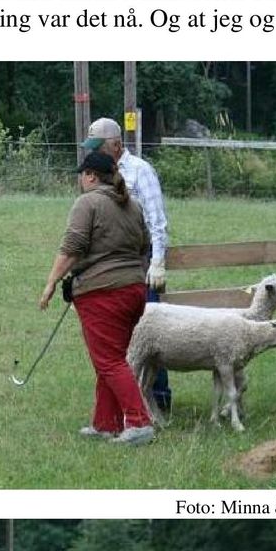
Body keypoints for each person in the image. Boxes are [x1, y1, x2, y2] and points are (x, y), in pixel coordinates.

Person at [39, 150, 156, 446]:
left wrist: (51, 282)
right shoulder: (132, 205)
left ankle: (139, 423)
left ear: (90, 175)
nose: (80, 179)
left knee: (109, 361)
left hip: (103, 294)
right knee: (110, 358)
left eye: (82, 174)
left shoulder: (87, 202)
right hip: (134, 290)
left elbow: (72, 246)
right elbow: (146, 247)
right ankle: (105, 424)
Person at [83, 116, 172, 415]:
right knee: (118, 340)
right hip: (110, 272)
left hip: (140, 268)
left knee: (149, 335)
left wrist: (157, 263)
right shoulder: (100, 175)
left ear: (117, 145)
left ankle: (158, 397)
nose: (92, 154)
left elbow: (157, 222)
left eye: (98, 147)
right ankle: (125, 404)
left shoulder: (140, 171)